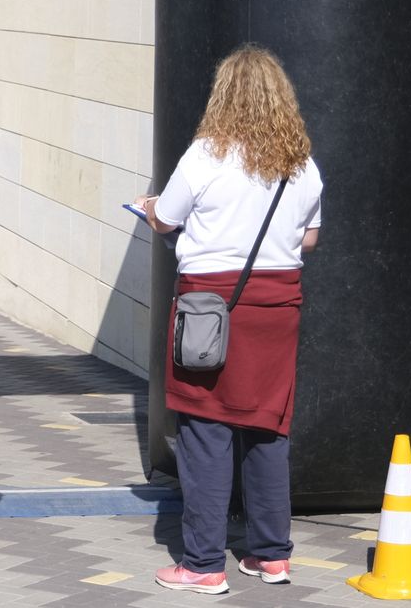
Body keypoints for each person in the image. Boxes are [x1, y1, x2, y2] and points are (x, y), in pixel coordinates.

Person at [136, 44, 323, 595]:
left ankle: (201, 565)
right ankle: (270, 555)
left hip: (209, 308)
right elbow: (308, 239)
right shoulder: (303, 164)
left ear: (223, 97)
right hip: (278, 308)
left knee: (205, 429)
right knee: (269, 427)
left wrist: (147, 207)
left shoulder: (203, 156)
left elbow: (166, 220)